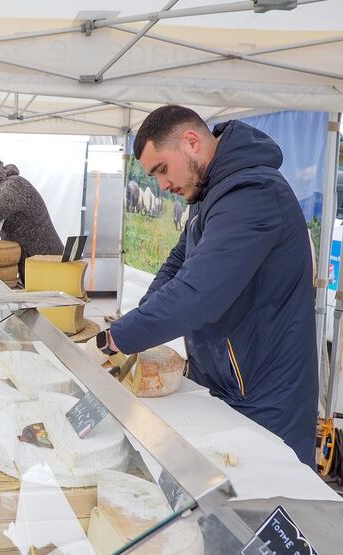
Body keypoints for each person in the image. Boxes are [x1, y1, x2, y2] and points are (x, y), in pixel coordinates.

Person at [98, 105, 317, 467]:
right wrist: (137, 319)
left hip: (264, 392)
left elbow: (197, 295)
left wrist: (116, 339)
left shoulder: (253, 193)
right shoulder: (212, 194)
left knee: (265, 502)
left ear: (191, 141)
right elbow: (177, 265)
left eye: (162, 170)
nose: (163, 186)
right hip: (222, 379)